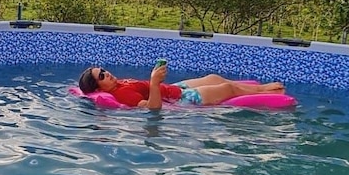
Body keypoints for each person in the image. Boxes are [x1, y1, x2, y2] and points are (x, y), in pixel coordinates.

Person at [77, 64, 285, 110]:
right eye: (102, 76)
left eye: (103, 70)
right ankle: (263, 89)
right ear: (99, 88)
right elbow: (152, 107)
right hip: (180, 99)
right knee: (227, 88)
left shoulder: (119, 84)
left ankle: (256, 88)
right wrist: (155, 82)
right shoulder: (123, 95)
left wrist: (158, 83)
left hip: (174, 88)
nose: (107, 73)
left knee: (212, 76)